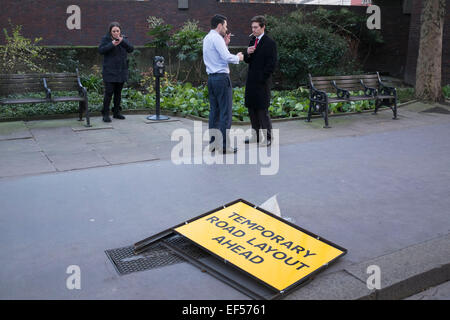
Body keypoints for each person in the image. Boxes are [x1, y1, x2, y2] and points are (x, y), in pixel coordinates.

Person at [203, 14, 243, 154]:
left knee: (214, 112)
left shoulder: (207, 38)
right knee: (225, 113)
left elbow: (217, 55)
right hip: (221, 78)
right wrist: (238, 57)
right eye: (225, 26)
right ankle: (225, 146)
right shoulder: (216, 38)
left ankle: (213, 144)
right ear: (219, 26)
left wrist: (225, 44)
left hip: (211, 79)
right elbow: (226, 57)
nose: (226, 29)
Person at [243, 15, 277, 147]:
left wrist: (262, 78)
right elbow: (247, 60)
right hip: (251, 81)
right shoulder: (252, 40)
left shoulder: (270, 43)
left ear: (263, 27)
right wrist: (248, 53)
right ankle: (255, 136)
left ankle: (268, 137)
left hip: (262, 82)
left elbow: (272, 64)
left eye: (256, 27)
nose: (254, 29)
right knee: (251, 109)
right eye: (252, 27)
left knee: (262, 110)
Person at [98, 22, 134, 122]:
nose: (116, 33)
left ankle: (116, 112)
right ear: (110, 32)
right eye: (114, 31)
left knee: (118, 93)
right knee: (109, 93)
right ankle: (105, 114)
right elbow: (101, 50)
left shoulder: (124, 39)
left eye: (117, 31)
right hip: (109, 71)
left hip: (121, 71)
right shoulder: (106, 39)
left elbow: (131, 49)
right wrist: (112, 44)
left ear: (120, 31)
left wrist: (122, 41)